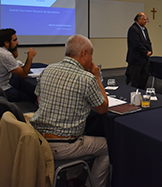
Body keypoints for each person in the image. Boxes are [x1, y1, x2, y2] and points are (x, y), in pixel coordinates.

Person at [30, 34, 110, 187]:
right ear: (85, 53)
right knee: (107, 146)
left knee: (82, 131)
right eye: (91, 55)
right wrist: (97, 77)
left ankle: (72, 177)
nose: (92, 59)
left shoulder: (48, 69)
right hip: (63, 146)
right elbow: (102, 108)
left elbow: (40, 100)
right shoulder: (87, 79)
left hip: (38, 139)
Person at [0, 28, 37, 102]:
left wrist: (13, 46)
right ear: (6, 43)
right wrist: (30, 57)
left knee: (18, 83)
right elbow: (24, 74)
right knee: (30, 96)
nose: (17, 42)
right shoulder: (4, 55)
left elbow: (14, 56)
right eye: (15, 40)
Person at [125, 12, 153, 89]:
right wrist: (145, 52)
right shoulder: (133, 29)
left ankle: (142, 93)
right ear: (139, 19)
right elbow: (137, 44)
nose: (146, 21)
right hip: (136, 59)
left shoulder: (144, 29)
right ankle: (135, 96)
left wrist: (150, 50)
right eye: (144, 19)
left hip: (144, 59)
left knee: (144, 76)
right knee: (136, 79)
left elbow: (148, 41)